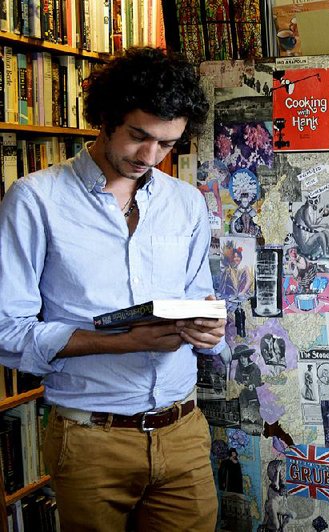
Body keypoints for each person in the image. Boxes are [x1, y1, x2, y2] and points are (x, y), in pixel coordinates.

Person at [0, 47, 224, 530]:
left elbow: (198, 296)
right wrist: (122, 342)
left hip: (184, 429)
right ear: (105, 118)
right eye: (138, 136)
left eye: (166, 144)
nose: (150, 157)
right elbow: (5, 330)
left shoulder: (186, 203)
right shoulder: (36, 199)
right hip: (90, 438)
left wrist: (208, 329)